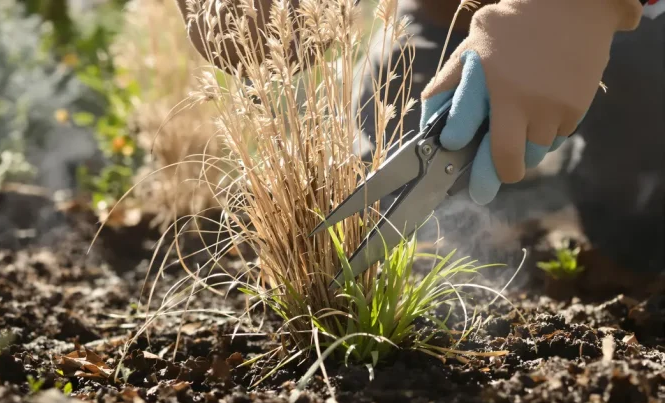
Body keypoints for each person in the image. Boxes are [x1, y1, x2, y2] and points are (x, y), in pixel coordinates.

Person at [176, 0, 664, 274]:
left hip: (640, 20)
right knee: (401, 208)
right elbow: (262, 39)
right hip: (448, 18)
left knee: (640, 227)